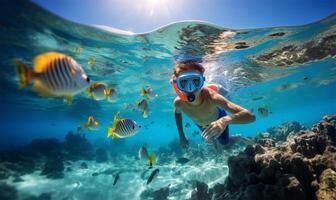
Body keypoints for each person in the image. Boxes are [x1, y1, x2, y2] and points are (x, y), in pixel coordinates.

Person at [171, 61, 256, 149]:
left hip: (218, 118)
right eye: (184, 82)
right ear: (177, 84)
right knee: (212, 143)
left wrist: (224, 121)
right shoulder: (178, 103)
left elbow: (251, 116)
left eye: (196, 81)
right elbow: (177, 113)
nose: (190, 88)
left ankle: (237, 137)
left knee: (225, 145)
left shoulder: (212, 97)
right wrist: (182, 136)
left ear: (202, 82)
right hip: (201, 125)